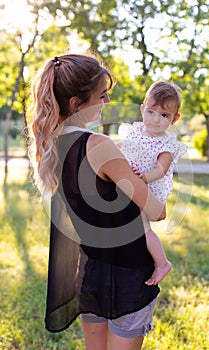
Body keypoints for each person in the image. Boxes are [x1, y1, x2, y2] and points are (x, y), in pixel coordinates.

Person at [29, 53, 166, 350]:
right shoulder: (98, 145)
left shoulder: (50, 147)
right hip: (130, 276)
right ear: (77, 104)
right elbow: (157, 212)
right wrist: (156, 176)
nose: (107, 103)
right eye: (102, 96)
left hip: (89, 273)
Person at [118, 81, 187, 285]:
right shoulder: (133, 131)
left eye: (164, 115)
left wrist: (144, 178)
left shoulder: (166, 144)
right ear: (142, 109)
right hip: (133, 182)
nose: (156, 120)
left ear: (174, 119)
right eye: (151, 112)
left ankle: (162, 262)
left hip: (151, 187)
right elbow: (121, 147)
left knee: (143, 226)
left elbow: (161, 169)